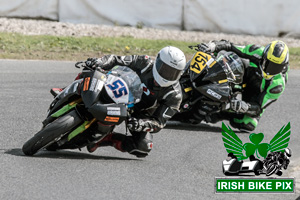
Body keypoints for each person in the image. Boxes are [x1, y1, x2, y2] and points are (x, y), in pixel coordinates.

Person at [53, 46, 186, 158]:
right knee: (92, 68)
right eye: (165, 69)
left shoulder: (175, 95)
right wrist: (100, 62)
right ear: (157, 61)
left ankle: (104, 139)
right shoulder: (144, 62)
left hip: (138, 112)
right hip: (121, 86)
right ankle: (67, 89)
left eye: (173, 73)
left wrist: (142, 123)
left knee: (143, 147)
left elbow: (159, 122)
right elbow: (116, 59)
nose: (167, 75)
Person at [202, 40, 289, 132]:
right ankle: (206, 76)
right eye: (269, 63)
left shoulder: (278, 85)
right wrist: (213, 46)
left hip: (255, 95)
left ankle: (220, 113)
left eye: (276, 67)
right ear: (264, 57)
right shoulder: (257, 51)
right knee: (230, 57)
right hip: (245, 76)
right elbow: (230, 46)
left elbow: (259, 107)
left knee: (249, 124)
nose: (270, 69)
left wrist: (245, 107)